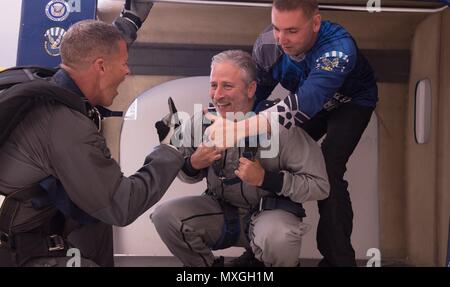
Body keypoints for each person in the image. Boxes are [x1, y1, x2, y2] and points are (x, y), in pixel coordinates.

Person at [205, 0, 378, 267]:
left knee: (329, 170)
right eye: (277, 28)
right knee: (269, 152)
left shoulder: (338, 49)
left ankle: (339, 261)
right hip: (304, 102)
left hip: (350, 104)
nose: (282, 39)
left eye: (292, 31)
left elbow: (304, 105)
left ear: (316, 23)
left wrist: (239, 128)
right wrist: (225, 123)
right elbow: (254, 98)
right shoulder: (267, 45)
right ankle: (259, 247)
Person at [0, 19, 183, 267]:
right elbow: (121, 205)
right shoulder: (65, 123)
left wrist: (130, 20)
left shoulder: (45, 86)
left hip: (26, 229)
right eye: (124, 63)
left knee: (94, 223)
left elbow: (98, 44)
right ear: (101, 67)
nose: (127, 71)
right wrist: (170, 149)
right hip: (13, 249)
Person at [151, 50, 329, 267]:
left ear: (251, 88)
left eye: (227, 86)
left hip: (270, 218)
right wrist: (193, 164)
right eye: (214, 85)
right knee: (164, 216)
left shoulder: (281, 128)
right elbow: (182, 172)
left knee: (279, 236)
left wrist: (267, 179)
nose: (217, 95)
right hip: (223, 215)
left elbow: (320, 186)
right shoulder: (201, 123)